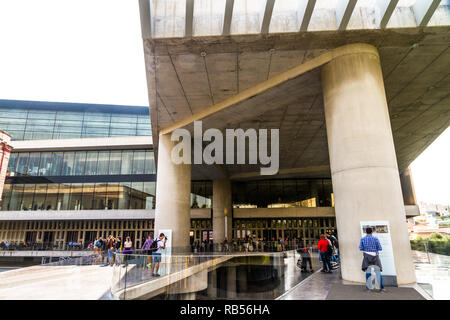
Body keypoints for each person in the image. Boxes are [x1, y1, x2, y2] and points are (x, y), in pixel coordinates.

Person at [359, 227, 384, 291]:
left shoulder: (363, 239)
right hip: (375, 256)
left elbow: (360, 248)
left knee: (368, 272)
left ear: (366, 232)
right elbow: (380, 248)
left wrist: (366, 249)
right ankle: (381, 288)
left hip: (367, 256)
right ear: (372, 232)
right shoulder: (375, 239)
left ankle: (368, 288)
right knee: (378, 272)